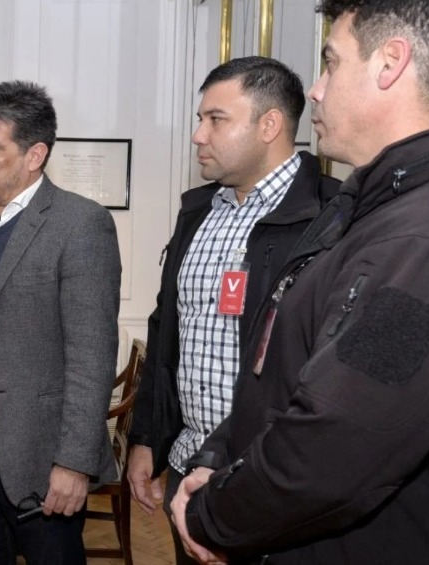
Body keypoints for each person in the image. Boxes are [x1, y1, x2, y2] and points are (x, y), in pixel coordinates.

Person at [170, 1, 429, 563]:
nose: (315, 90)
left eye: (331, 63)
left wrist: (211, 517)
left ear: (390, 63)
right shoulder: (383, 204)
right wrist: (221, 451)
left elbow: (337, 445)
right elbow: (289, 371)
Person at [124, 56, 339, 564]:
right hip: (186, 465)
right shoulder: (198, 211)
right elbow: (165, 333)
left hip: (269, 477)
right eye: (200, 119)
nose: (198, 135)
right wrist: (146, 440)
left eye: (215, 119)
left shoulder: (331, 217)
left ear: (270, 125)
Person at [0, 80, 122, 564]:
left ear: (35, 155)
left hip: (41, 456)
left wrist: (73, 463)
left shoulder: (80, 225)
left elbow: (92, 357)